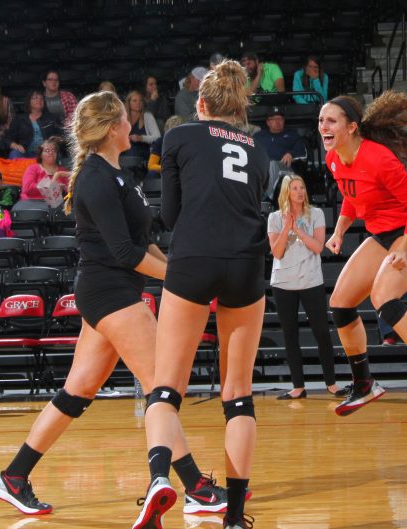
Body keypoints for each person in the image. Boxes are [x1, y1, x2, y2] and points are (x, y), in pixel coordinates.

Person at [0, 91, 228, 518]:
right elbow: (123, 253)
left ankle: (14, 476)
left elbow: (144, 243)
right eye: (123, 120)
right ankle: (195, 487)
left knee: (77, 392)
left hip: (115, 291)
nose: (129, 127)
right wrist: (182, 279)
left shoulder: (120, 173)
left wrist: (178, 271)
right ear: (110, 127)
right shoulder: (96, 178)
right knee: (163, 385)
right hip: (109, 291)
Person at [136, 60, 266, 529]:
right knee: (238, 396)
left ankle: (158, 482)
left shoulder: (180, 136)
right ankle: (233, 516)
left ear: (202, 104)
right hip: (248, 264)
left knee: (166, 388)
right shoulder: (257, 149)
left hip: (194, 258)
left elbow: (170, 215)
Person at [319, 91, 407, 420]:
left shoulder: (379, 158)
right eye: (321, 120)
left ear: (351, 127)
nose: (323, 125)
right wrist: (338, 231)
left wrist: (404, 249)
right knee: (340, 303)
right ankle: (364, 383)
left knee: (384, 298)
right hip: (382, 233)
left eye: (331, 120)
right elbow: (352, 197)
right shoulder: (334, 158)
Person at [268, 175, 345, 400]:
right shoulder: (274, 218)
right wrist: (286, 229)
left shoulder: (316, 214)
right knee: (290, 335)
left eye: (302, 187)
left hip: (311, 279)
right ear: (286, 192)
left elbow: (318, 246)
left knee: (321, 332)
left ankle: (331, 384)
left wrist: (298, 230)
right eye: (295, 188)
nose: (300, 192)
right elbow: (277, 252)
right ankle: (298, 387)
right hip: (283, 282)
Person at [253, 106, 307, 200]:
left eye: (280, 119)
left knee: (273, 164)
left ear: (284, 120)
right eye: (274, 119)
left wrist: (291, 154)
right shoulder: (258, 137)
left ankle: (265, 199)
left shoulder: (292, 135)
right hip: (263, 169)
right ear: (268, 122)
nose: (277, 122)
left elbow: (304, 154)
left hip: (286, 169)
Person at [13, 137, 70, 211]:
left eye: (53, 150)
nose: (51, 152)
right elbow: (27, 189)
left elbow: (69, 190)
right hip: (30, 202)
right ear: (40, 155)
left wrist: (65, 188)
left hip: (56, 204)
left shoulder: (63, 171)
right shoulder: (32, 169)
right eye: (47, 150)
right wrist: (51, 187)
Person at [4, 89, 62, 159]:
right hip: (25, 152)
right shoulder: (19, 119)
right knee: (15, 154)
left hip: (46, 153)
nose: (39, 100)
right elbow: (7, 138)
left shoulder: (52, 118)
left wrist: (58, 139)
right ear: (29, 102)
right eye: (35, 98)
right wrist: (15, 145)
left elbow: (63, 135)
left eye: (41, 98)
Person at [124, 91, 161, 162]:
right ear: (128, 103)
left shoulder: (147, 116)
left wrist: (141, 138)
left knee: (132, 151)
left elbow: (157, 138)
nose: (138, 103)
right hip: (125, 151)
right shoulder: (123, 118)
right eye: (134, 101)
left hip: (142, 152)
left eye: (140, 101)